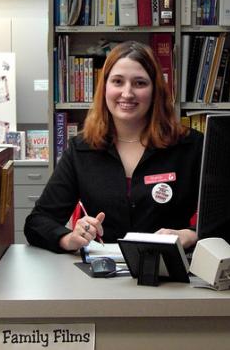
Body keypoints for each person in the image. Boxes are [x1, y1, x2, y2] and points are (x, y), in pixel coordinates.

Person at [24, 41, 203, 253]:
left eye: (139, 83)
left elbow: (229, 223)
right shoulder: (81, 150)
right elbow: (37, 223)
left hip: (169, 274)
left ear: (155, 90)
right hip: (102, 276)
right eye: (118, 81)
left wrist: (190, 235)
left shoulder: (191, 146)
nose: (127, 93)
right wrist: (68, 238)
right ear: (105, 87)